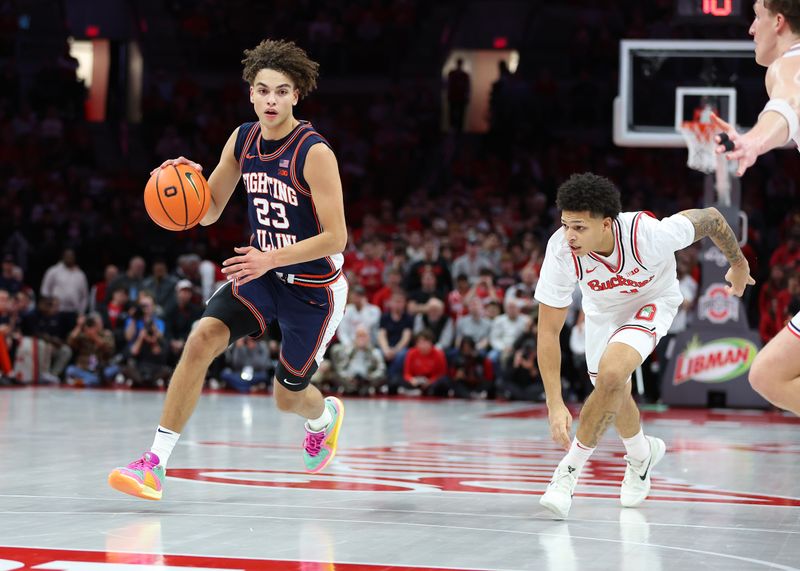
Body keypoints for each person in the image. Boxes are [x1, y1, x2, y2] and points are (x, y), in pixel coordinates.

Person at [109, 39, 348, 500]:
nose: (272, 100)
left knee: (287, 398)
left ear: (296, 94)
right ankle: (154, 464)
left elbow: (337, 238)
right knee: (200, 339)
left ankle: (324, 418)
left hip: (314, 288)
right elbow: (210, 210)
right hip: (259, 273)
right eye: (263, 90)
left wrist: (271, 257)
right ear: (251, 94)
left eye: (281, 91)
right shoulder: (243, 140)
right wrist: (186, 185)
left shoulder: (314, 152)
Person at [535, 173, 753, 519]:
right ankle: (640, 453)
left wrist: (738, 264)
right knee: (612, 390)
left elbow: (711, 217)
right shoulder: (561, 250)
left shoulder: (648, 234)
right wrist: (554, 402)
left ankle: (568, 473)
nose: (570, 236)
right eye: (565, 225)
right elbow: (547, 332)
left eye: (579, 227)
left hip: (652, 303)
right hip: (602, 313)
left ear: (606, 224)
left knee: (611, 376)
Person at [712, 0, 800, 415]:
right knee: (768, 373)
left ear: (778, 22)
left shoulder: (787, 64)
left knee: (769, 375)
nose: (751, 28)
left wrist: (753, 141)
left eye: (756, 16)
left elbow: (784, 106)